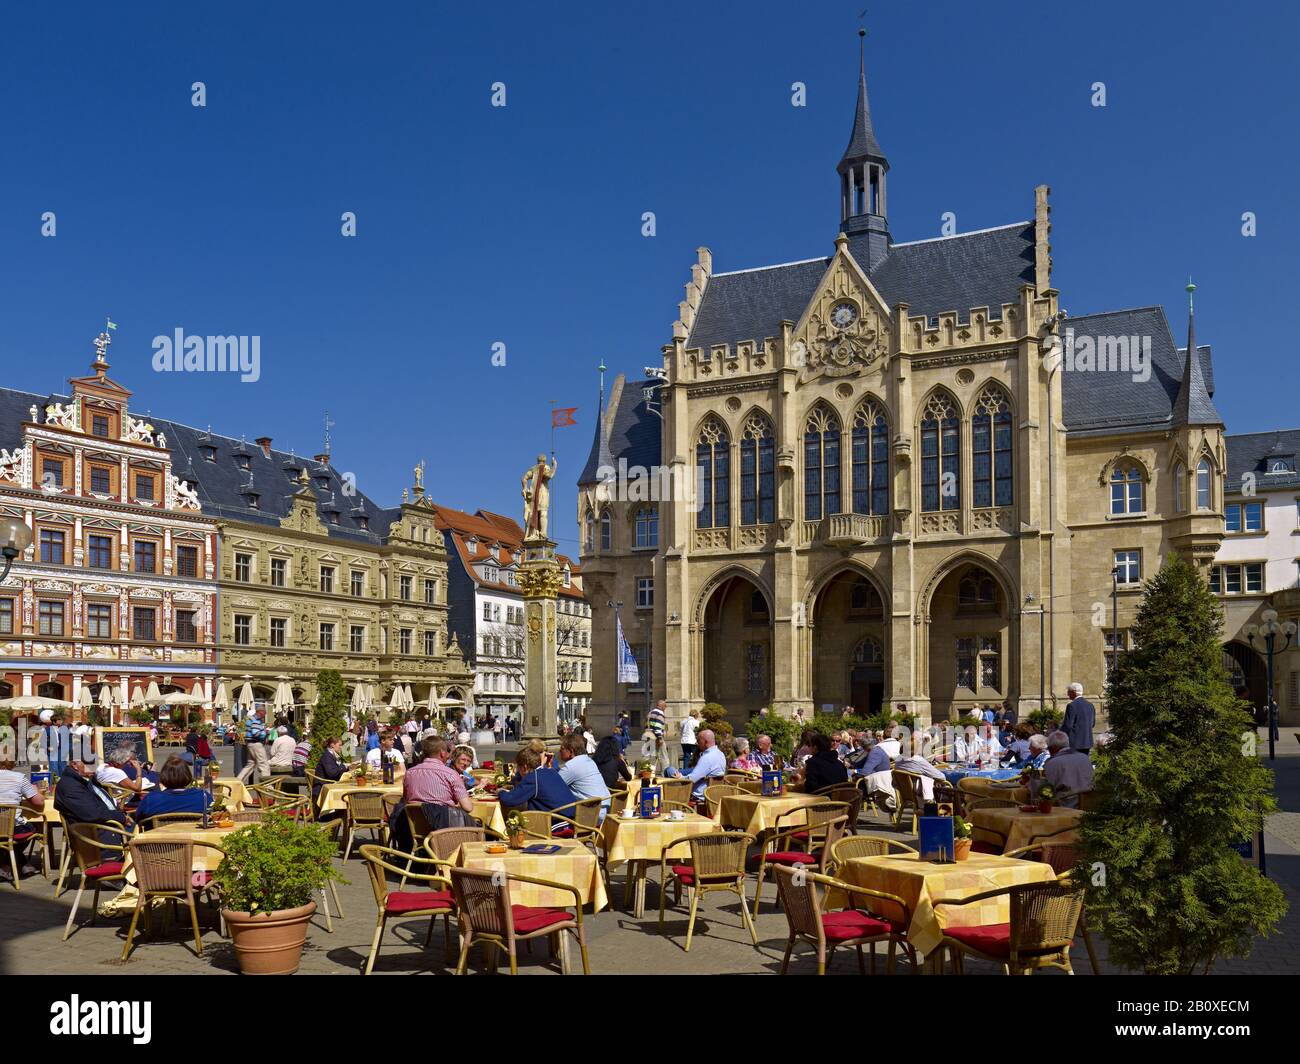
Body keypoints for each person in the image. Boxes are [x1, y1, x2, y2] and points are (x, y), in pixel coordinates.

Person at [54, 757, 129, 835]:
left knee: (137, 829)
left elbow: (102, 803)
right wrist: (120, 817)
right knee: (137, 837)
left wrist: (121, 814)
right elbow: (93, 814)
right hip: (97, 833)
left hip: (107, 826)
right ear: (74, 764)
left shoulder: (86, 779)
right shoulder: (70, 786)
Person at [497, 747, 578, 819]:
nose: (518, 771)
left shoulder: (532, 778)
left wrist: (500, 792)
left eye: (518, 768)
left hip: (558, 822)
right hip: (573, 817)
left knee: (514, 821)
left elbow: (509, 800)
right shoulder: (551, 771)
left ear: (525, 767)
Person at [0, 757, 45, 880]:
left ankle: (15, 865)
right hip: (12, 827)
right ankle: (14, 865)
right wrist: (34, 790)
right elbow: (39, 802)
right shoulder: (19, 777)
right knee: (32, 828)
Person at [135, 756, 212, 825]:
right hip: (195, 836)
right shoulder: (204, 797)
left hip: (159, 836)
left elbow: (138, 820)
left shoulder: (150, 799)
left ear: (163, 776)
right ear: (187, 775)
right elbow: (213, 817)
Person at [1027, 730, 1094, 806]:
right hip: (1088, 803)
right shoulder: (1085, 757)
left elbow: (1045, 788)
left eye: (1049, 748)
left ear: (1053, 748)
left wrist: (1031, 784)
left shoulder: (1053, 762)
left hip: (1065, 805)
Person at [556, 733, 611, 817]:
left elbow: (552, 787)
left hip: (591, 814)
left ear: (571, 751)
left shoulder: (571, 766)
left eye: (562, 748)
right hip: (605, 808)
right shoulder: (588, 760)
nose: (559, 751)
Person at [663, 728, 725, 800]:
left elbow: (691, 779)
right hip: (712, 790)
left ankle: (672, 798)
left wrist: (680, 778)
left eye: (698, 740)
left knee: (669, 770)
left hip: (698, 793)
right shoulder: (721, 754)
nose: (696, 743)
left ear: (705, 742)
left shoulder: (706, 758)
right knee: (680, 770)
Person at [1061, 683, 1096, 753]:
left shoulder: (1071, 705)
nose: (1067, 694)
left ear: (1074, 692)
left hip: (1074, 743)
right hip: (1087, 742)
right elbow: (1092, 724)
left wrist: (1058, 733)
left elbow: (1068, 725)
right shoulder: (1090, 705)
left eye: (1068, 692)